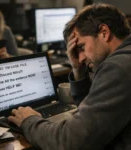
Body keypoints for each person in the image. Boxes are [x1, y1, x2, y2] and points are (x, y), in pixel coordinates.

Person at [8, 3, 131, 150]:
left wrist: (28, 120)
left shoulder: (118, 67)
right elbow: (94, 115)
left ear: (104, 32)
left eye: (81, 47)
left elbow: (69, 142)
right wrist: (79, 71)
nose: (79, 58)